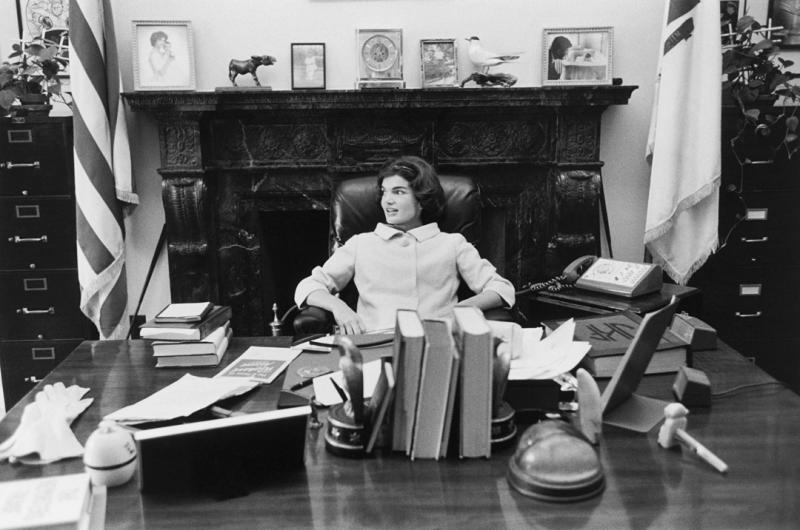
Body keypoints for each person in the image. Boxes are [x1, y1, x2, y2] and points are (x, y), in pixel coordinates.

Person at [294, 156, 515, 334]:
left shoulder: (452, 244)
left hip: (438, 344)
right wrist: (339, 307)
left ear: (422, 198)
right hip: (374, 344)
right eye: (383, 192)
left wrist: (464, 308)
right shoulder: (361, 244)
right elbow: (308, 286)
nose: (386, 201)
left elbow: (501, 288)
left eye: (398, 192)